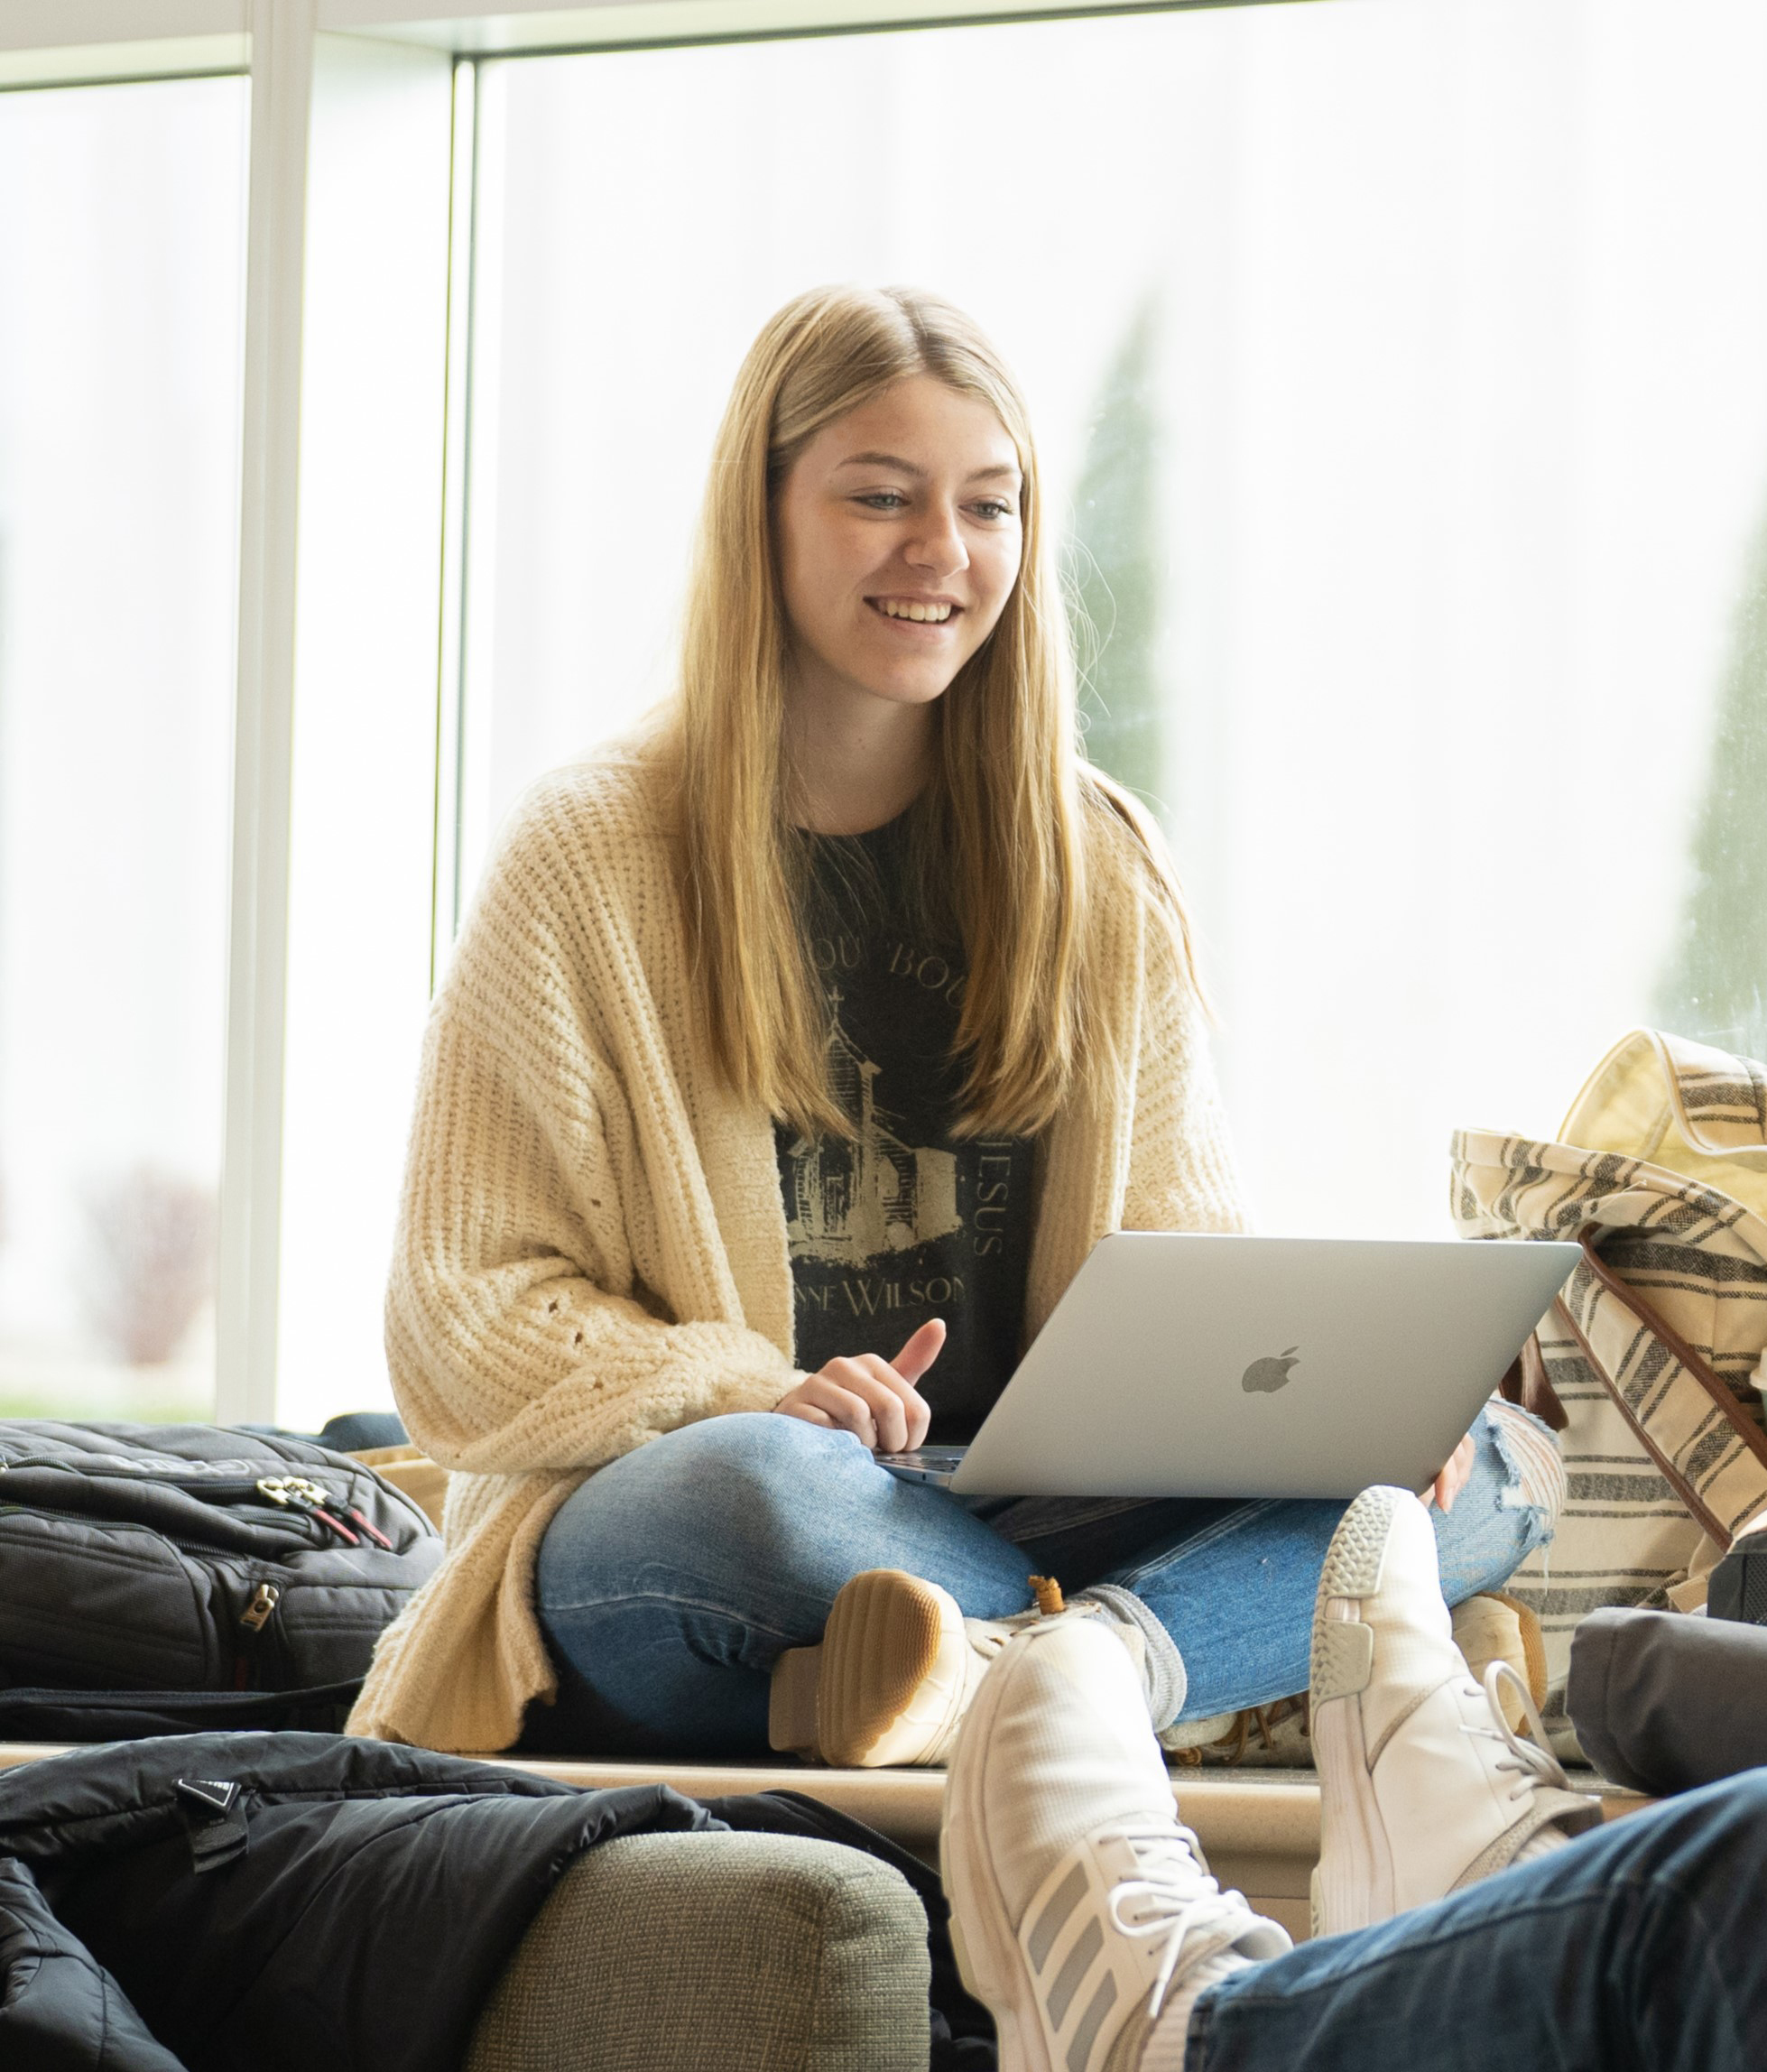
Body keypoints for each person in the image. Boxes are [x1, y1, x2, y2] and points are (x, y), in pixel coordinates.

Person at [346, 282, 1560, 1762]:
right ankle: (1180, 1647)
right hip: (757, 1510)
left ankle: (1034, 1671)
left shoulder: (1097, 861)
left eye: (990, 507)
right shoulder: (589, 859)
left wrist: (1341, 1427)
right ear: (764, 514)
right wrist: (762, 1392)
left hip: (1030, 1506)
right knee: (746, 1503)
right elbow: (463, 1321)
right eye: (880, 497)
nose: (941, 550)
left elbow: (1184, 1271)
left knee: (1494, 1466)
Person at [940, 1480, 1767, 2072]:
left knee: (1758, 1883)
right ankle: (1476, 1934)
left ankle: (1187, 2037)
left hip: (1071, 1521)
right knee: (763, 1480)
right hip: (892, 1473)